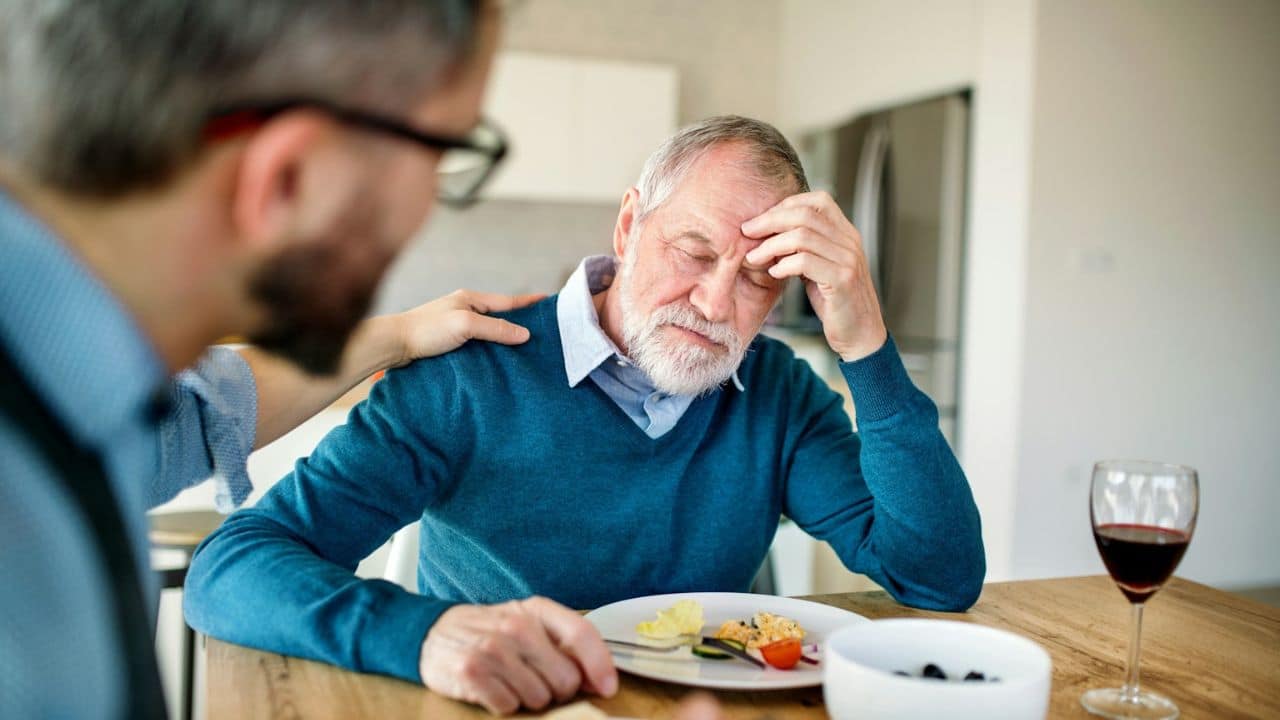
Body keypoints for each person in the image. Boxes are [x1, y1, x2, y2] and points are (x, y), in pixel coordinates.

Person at [185, 116, 987, 715]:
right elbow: (232, 570)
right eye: (696, 252)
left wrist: (867, 347)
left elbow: (938, 577)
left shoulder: (780, 393)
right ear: (632, 223)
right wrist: (422, 635)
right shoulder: (471, 368)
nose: (715, 303)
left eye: (756, 281)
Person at [0, 2, 625, 718]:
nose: (429, 205)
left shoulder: (79, 395)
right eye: (446, 152)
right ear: (289, 176)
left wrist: (396, 335)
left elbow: (201, 415)